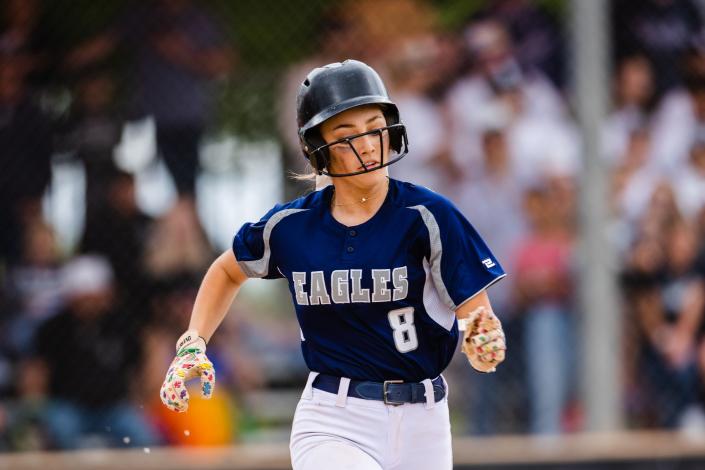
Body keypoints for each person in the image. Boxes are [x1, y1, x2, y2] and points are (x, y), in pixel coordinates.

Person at [159, 60, 507, 469]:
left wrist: (482, 336)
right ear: (316, 149)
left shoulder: (428, 215)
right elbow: (226, 270)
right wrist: (193, 342)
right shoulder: (291, 226)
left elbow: (476, 311)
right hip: (334, 418)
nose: (366, 144)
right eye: (345, 135)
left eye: (374, 126)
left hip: (424, 421)